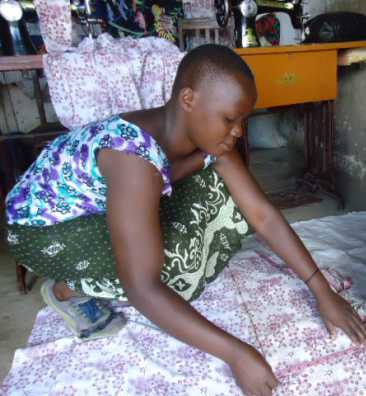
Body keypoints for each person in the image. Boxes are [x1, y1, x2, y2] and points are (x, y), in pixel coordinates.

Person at [5, 44, 366, 396]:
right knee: (166, 274)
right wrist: (236, 354)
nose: (239, 131)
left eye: (243, 120)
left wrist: (322, 290)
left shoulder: (194, 132)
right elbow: (142, 288)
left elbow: (262, 214)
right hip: (41, 231)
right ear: (188, 99)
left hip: (107, 199)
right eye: (230, 119)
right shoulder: (132, 158)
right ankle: (68, 288)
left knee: (218, 189)